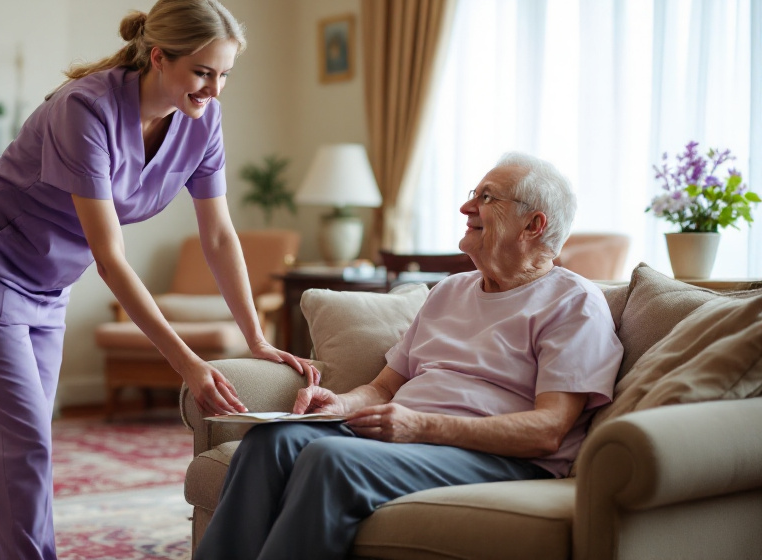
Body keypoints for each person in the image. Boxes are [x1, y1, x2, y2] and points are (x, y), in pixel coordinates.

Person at [0, 0, 317, 559]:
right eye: (202, 72)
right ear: (158, 56)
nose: (213, 89)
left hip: (48, 284)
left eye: (225, 74)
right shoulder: (84, 109)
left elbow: (219, 235)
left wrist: (255, 337)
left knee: (4, 448)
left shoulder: (201, 119)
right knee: (23, 446)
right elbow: (110, 258)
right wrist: (189, 362)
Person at [194, 152, 624, 560]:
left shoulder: (574, 302)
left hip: (501, 457)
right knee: (270, 442)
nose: (465, 207)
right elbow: (385, 386)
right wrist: (341, 405)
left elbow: (548, 430)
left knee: (331, 460)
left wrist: (421, 425)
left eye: (486, 197)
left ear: (533, 225)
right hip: (407, 438)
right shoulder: (452, 291)